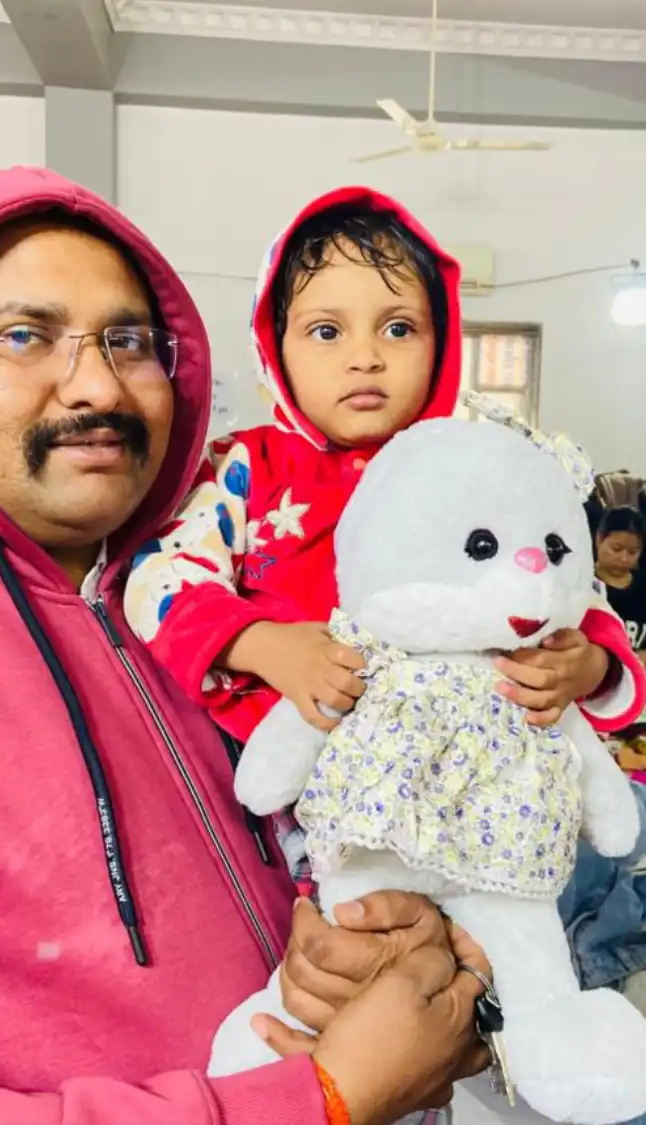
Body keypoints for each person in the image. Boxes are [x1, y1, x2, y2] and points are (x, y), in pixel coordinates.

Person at [0, 166, 493, 1125]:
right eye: (24, 335)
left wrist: (361, 943)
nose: (97, 383)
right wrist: (321, 1098)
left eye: (130, 341)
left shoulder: (191, 604)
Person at [124, 187, 645, 884]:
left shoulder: (481, 466)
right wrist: (263, 643)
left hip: (471, 789)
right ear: (274, 347)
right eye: (326, 331)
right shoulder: (245, 467)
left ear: (442, 341)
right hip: (284, 791)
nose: (365, 356)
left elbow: (568, 584)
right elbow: (160, 579)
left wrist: (591, 665)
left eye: (398, 328)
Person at [596, 507, 646, 663]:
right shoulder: (583, 584)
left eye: (632, 552)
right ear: (599, 540)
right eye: (616, 549)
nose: (624, 558)